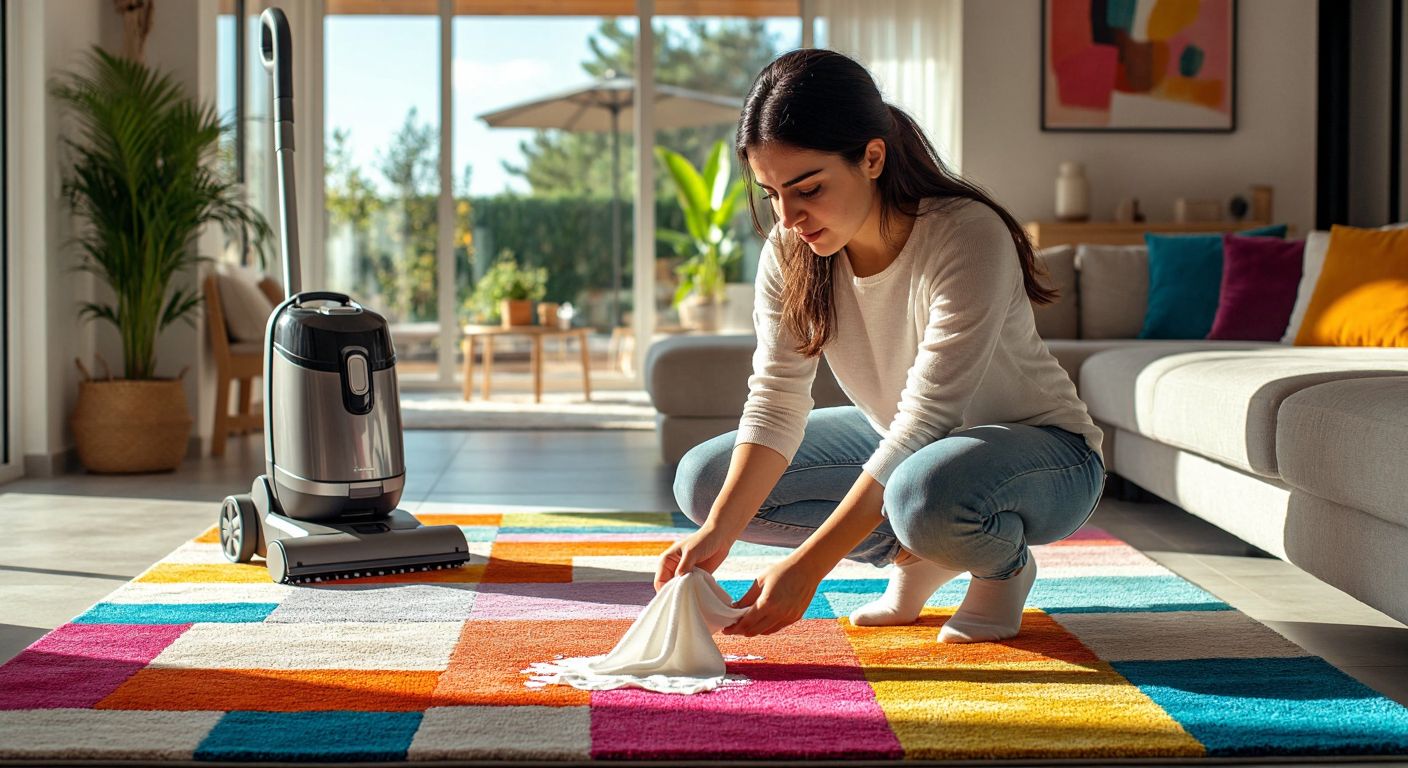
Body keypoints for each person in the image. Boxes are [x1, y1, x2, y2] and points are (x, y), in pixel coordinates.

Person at [654, 49, 1105, 644]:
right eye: (771, 194)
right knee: (704, 481)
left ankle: (1001, 568)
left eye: (808, 188)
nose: (788, 217)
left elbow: (927, 421)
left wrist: (808, 569)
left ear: (872, 157)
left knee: (924, 492)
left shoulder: (966, 234)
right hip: (909, 445)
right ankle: (920, 557)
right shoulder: (790, 253)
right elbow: (776, 402)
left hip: (1047, 455)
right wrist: (716, 533)